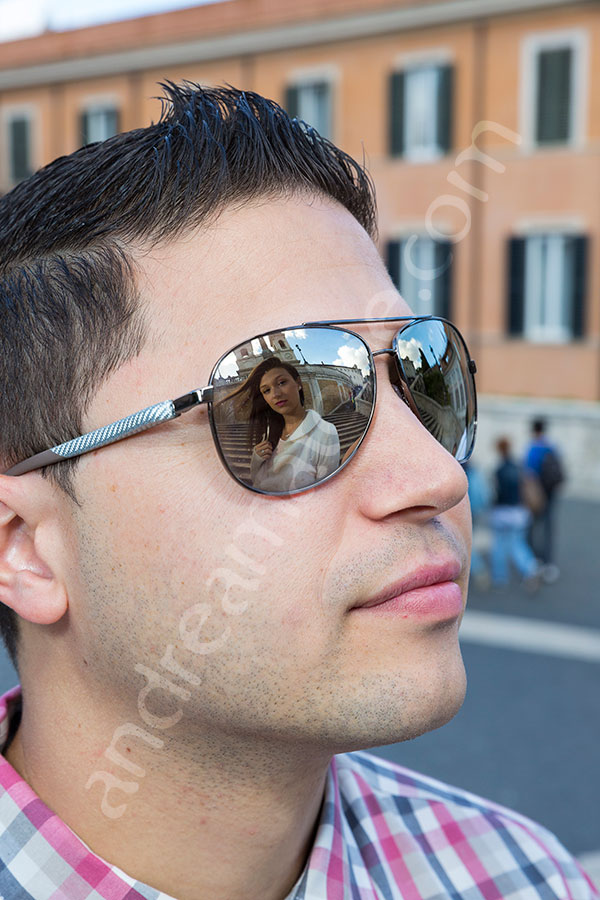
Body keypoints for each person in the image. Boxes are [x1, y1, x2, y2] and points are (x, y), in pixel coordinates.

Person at [0, 83, 596, 900]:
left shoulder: (525, 878)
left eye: (427, 378)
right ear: (22, 547)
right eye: (285, 391)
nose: (436, 475)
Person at [225, 357, 340, 492]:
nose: (275, 394)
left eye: (281, 383)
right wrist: (256, 459)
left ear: (298, 383)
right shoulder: (268, 434)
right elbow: (257, 482)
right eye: (266, 391)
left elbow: (326, 492)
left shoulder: (325, 432)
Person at [490, 438, 540, 591]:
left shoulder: (498, 470)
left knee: (499, 545)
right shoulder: (518, 467)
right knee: (517, 543)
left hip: (501, 512)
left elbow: (497, 494)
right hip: (518, 513)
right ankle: (530, 569)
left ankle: (499, 577)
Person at [524, 418, 565, 583]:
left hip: (537, 494)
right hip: (551, 493)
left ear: (533, 429)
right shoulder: (553, 446)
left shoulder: (532, 448)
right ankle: (549, 564)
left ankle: (534, 561)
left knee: (532, 527)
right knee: (548, 527)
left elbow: (528, 473)